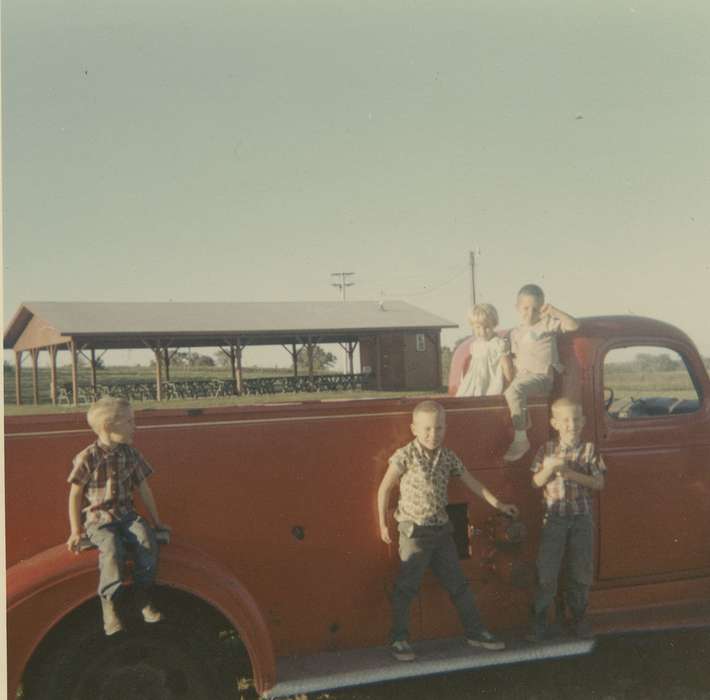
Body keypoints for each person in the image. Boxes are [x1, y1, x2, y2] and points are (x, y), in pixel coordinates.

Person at [377, 400, 519, 661]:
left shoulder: (449, 456)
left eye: (439, 428)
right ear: (414, 429)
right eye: (428, 429)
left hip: (441, 533)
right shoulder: (404, 455)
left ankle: (476, 633)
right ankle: (399, 639)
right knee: (407, 587)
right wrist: (383, 524)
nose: (434, 434)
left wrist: (499, 503)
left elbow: (472, 483)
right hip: (415, 533)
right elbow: (385, 489)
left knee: (459, 585)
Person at [66, 397, 170, 635]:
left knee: (146, 540)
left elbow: (144, 488)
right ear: (108, 426)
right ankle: (109, 603)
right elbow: (75, 495)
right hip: (98, 519)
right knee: (111, 548)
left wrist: (156, 521)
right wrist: (75, 530)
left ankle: (142, 597)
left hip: (126, 514)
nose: (135, 426)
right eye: (129, 421)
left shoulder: (130, 454)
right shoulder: (87, 457)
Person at [527, 398, 606, 642]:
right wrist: (550, 469)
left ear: (583, 421)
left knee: (581, 572)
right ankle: (540, 622)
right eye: (565, 420)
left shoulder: (590, 450)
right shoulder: (546, 450)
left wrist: (570, 473)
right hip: (555, 520)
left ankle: (579, 618)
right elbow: (535, 482)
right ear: (554, 423)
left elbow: (599, 483)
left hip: (581, 520)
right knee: (546, 573)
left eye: (576, 419)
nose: (571, 424)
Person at [503, 284, 579, 462]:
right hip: (523, 378)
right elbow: (512, 362)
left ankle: (521, 439)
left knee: (514, 391)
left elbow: (574, 325)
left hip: (542, 377)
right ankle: (523, 421)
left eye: (536, 309)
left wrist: (554, 311)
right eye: (526, 308)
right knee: (510, 391)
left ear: (543, 308)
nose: (530, 313)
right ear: (517, 308)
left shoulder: (547, 324)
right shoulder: (514, 333)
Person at [456, 303, 514, 397]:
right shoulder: (474, 346)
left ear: (494, 324)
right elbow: (471, 369)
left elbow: (507, 367)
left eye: (487, 327)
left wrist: (507, 387)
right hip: (474, 384)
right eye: (478, 327)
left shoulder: (498, 344)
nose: (482, 331)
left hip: (491, 386)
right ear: (472, 327)